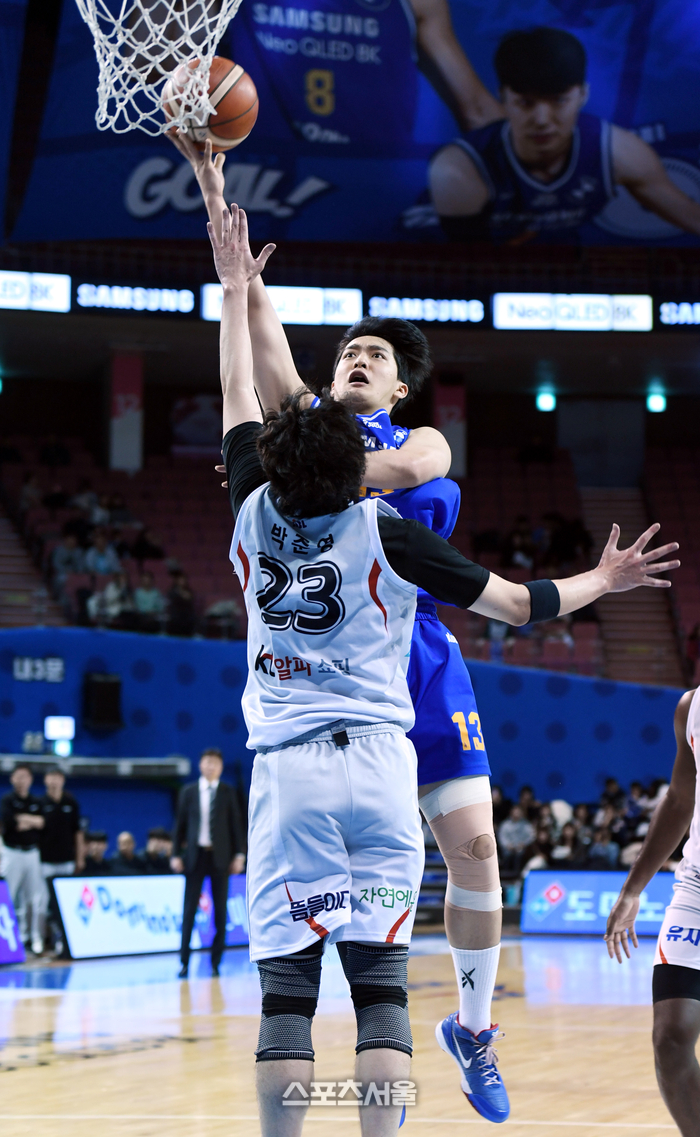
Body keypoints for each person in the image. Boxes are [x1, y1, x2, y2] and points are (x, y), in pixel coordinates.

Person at [209, 202, 678, 1133]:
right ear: (328, 374)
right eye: (349, 349)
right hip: (376, 665)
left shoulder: (401, 449)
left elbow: (258, 388)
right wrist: (248, 283)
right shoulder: (329, 450)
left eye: (378, 356)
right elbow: (268, 351)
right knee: (380, 975)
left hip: (406, 661)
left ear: (401, 386)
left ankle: (475, 1026)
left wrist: (239, 301)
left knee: (472, 856)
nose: (359, 356)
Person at [430, 25, 700, 243]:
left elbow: (691, 217)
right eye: (526, 102)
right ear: (503, 97)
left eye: (559, 100)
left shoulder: (620, 152)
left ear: (583, 95)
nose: (542, 121)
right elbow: (468, 266)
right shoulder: (459, 169)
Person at [605, 689, 700, 1137]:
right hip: (697, 886)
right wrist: (632, 890)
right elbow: (681, 800)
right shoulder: (691, 707)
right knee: (670, 1036)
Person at [172, 747, 246, 978]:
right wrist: (175, 853)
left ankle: (216, 962)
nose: (211, 766)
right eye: (207, 762)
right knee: (189, 910)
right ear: (200, 765)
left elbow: (237, 825)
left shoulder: (228, 792)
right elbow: (179, 825)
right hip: (195, 857)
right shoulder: (188, 791)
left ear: (220, 767)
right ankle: (184, 961)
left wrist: (240, 855)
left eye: (215, 763)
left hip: (220, 857)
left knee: (220, 912)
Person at [0, 764, 46, 953]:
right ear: (12, 779)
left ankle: (33, 937)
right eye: (18, 777)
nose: (21, 780)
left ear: (30, 779)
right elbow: (11, 823)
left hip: (32, 853)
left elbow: (42, 822)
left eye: (25, 777)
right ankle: (7, 940)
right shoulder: (7, 800)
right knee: (8, 896)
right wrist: (31, 821)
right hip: (12, 853)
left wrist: (24, 819)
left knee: (34, 898)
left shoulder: (37, 801)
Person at [39, 768, 83, 953]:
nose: (54, 781)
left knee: (67, 903)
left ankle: (67, 940)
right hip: (45, 861)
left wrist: (79, 857)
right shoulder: (40, 803)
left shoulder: (70, 802)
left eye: (58, 778)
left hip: (67, 860)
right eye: (51, 777)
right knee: (43, 902)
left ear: (63, 780)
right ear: (45, 780)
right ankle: (41, 940)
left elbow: (78, 832)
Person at [497, 805, 535, 875]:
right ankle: (506, 876)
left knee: (519, 855)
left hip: (522, 849)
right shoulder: (505, 824)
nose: (517, 814)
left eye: (518, 812)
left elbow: (531, 837)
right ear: (511, 812)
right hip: (507, 849)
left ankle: (518, 875)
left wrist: (524, 844)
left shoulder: (526, 825)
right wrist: (507, 845)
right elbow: (501, 837)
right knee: (507, 855)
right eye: (515, 812)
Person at [167, 571, 196, 637]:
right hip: (175, 617)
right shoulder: (172, 591)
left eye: (183, 579)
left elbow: (188, 598)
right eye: (180, 579)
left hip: (186, 616)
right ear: (176, 581)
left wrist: (181, 591)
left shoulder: (189, 591)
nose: (182, 581)